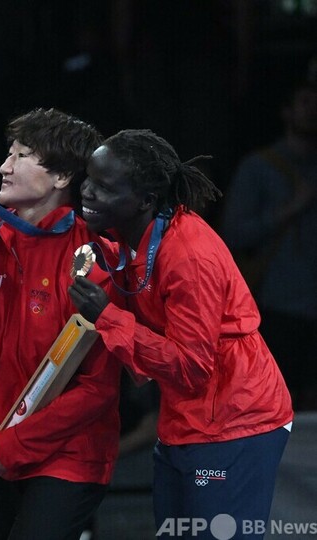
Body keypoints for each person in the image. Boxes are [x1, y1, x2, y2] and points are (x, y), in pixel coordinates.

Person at [69, 129, 294, 538]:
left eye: (105, 186)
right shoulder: (136, 233)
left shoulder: (189, 255)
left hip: (235, 422)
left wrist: (107, 316)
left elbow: (191, 367)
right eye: (88, 178)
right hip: (185, 419)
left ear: (145, 200)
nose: (87, 191)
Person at [0, 108, 122, 540]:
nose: (5, 166)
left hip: (67, 456)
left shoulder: (94, 257)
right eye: (9, 153)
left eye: (22, 156)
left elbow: (98, 388)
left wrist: (12, 444)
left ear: (62, 177)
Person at [220, 79, 317, 410]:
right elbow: (233, 233)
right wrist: (290, 209)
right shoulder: (259, 168)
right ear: (287, 111)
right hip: (277, 302)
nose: (313, 110)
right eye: (305, 102)